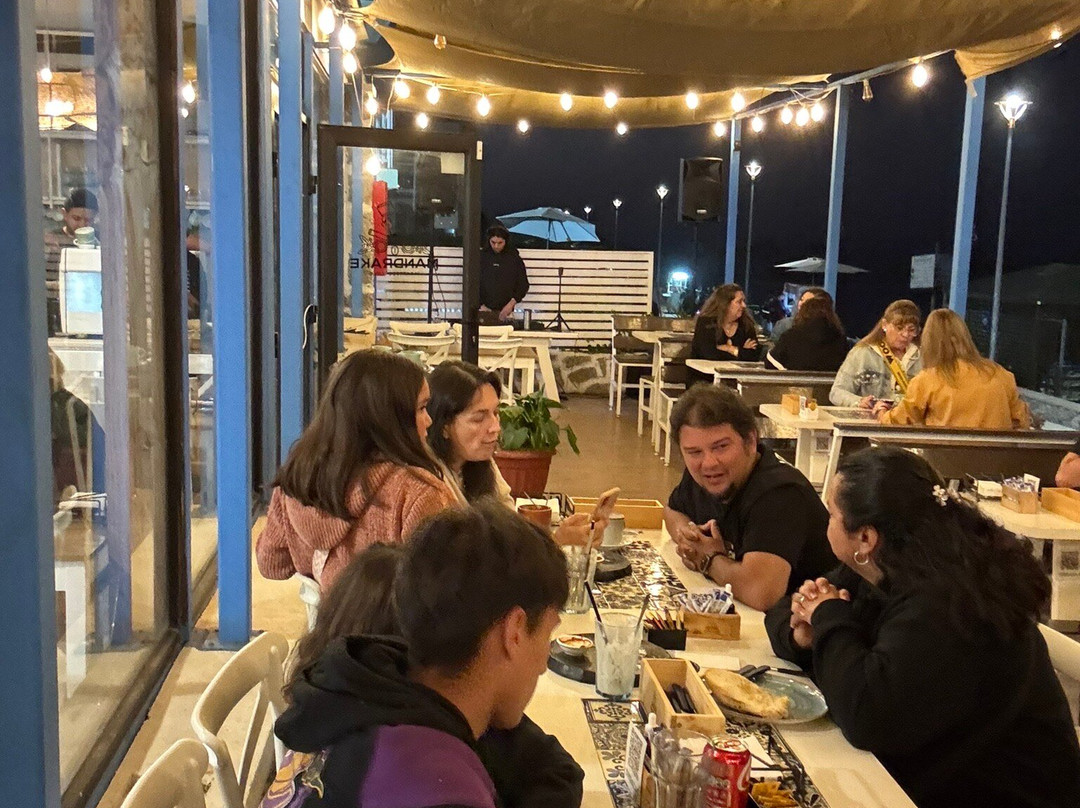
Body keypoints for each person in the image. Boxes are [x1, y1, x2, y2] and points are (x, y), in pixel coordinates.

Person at [765, 447, 1080, 808]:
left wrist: (829, 619)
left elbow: (868, 716)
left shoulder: (947, 600)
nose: (826, 523)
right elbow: (784, 610)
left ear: (866, 538)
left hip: (1000, 793)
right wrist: (803, 636)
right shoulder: (880, 566)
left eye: (832, 514)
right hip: (928, 775)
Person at [270, 502, 570, 808]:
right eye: (547, 634)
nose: (543, 665)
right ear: (515, 631)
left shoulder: (357, 691)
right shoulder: (437, 788)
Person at [255, 349, 457, 591]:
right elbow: (443, 593)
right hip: (391, 616)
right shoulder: (419, 494)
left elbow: (272, 564)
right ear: (388, 418)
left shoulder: (298, 478)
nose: (429, 420)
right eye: (422, 408)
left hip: (327, 614)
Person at [665, 385, 836, 611]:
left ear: (751, 441)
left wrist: (709, 559)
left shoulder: (780, 493)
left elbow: (761, 593)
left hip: (805, 622)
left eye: (721, 447)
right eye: (694, 452)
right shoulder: (705, 475)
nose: (709, 463)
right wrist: (689, 537)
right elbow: (672, 511)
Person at [426, 360, 602, 546]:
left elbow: (511, 531)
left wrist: (563, 537)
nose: (495, 427)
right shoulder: (429, 485)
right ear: (443, 426)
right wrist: (557, 542)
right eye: (479, 418)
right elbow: (469, 559)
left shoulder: (479, 463)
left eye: (496, 413)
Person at [875, 308, 1030, 429]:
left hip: (942, 459)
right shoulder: (1002, 375)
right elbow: (1021, 421)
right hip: (996, 459)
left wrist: (881, 412)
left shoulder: (927, 380)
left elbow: (897, 422)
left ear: (929, 342)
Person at [830, 299, 922, 409]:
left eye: (911, 330)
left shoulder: (922, 357)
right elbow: (837, 392)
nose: (905, 334)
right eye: (899, 328)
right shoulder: (862, 353)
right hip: (869, 417)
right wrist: (858, 401)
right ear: (884, 325)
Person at [44, 187, 99, 334]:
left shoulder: (100, 242)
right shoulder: (51, 241)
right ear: (64, 214)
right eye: (76, 219)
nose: (82, 225)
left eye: (88, 220)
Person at [765, 295, 848, 372]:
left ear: (803, 313)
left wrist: (785, 371)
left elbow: (770, 362)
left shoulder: (791, 335)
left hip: (795, 382)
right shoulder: (840, 338)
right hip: (831, 383)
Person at [691, 283, 760, 366]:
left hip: (737, 373)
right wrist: (742, 352)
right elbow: (709, 354)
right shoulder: (706, 322)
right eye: (739, 302)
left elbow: (754, 355)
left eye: (743, 301)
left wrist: (730, 349)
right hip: (705, 372)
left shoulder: (746, 324)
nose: (744, 305)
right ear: (725, 304)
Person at [479, 225, 529, 323]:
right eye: (493, 242)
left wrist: (511, 304)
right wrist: (480, 305)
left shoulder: (514, 258)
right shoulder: (481, 257)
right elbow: (472, 283)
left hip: (507, 310)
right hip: (483, 309)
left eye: (500, 243)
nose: (496, 246)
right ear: (488, 241)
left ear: (506, 242)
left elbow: (523, 285)